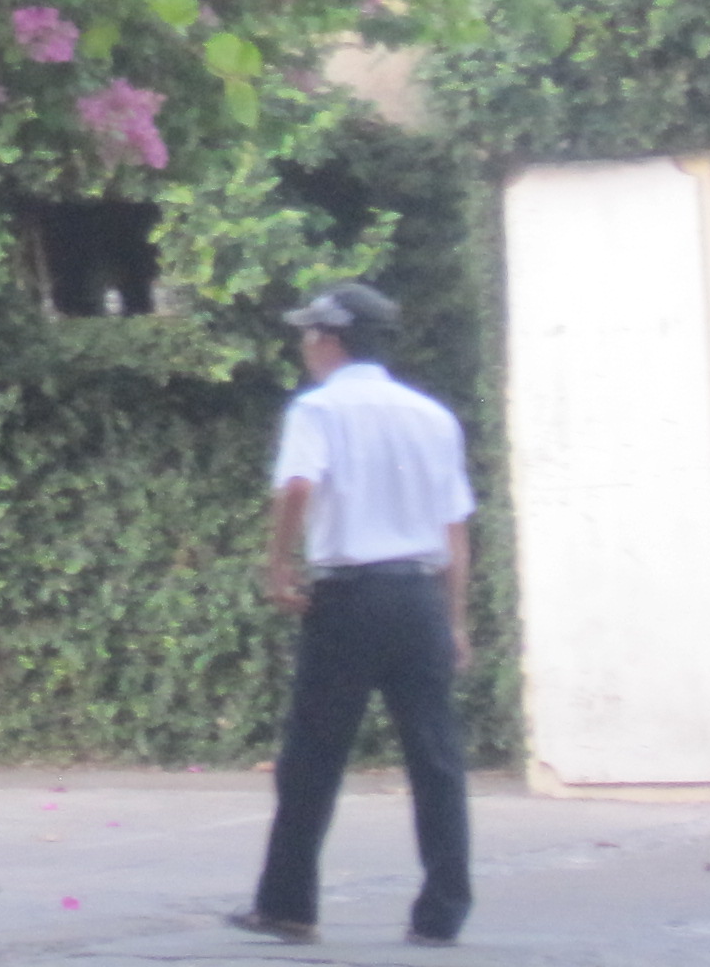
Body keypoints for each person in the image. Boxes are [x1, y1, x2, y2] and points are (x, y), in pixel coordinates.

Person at [229, 280, 477, 948]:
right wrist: (455, 619)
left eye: (310, 335)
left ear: (331, 340)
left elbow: (298, 485)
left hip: (349, 595)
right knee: (435, 755)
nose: (306, 347)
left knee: (312, 754)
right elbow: (455, 530)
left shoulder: (318, 410)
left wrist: (279, 563)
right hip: (419, 595)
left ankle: (288, 904)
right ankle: (442, 909)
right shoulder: (431, 417)